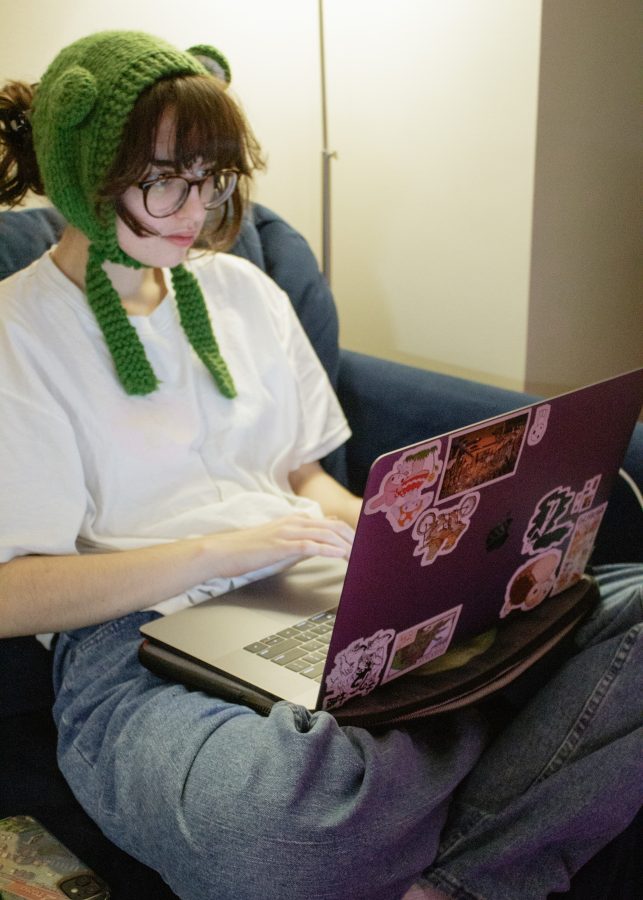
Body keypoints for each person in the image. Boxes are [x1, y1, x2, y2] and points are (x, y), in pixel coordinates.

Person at [0, 30, 641, 900]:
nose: (196, 211)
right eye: (165, 180)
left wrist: (398, 551)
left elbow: (304, 477)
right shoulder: (17, 331)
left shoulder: (244, 292)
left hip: (318, 596)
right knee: (277, 830)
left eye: (215, 179)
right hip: (137, 648)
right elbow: (12, 595)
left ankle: (443, 862)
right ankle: (501, 731)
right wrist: (222, 553)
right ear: (84, 174)